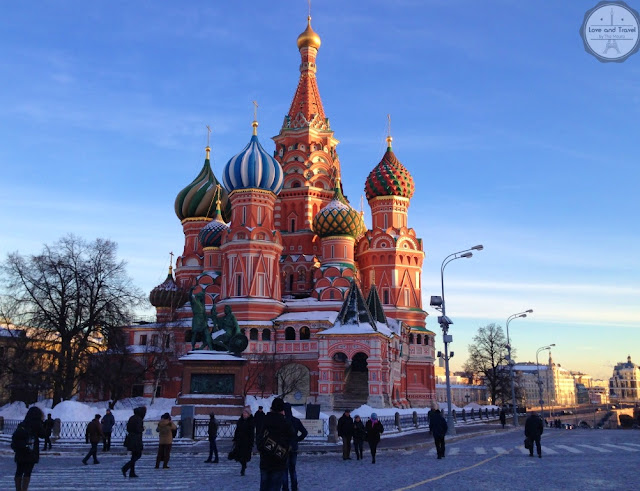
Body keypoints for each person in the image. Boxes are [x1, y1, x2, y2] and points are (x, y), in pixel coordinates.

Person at [257, 398, 295, 491]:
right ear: (282, 410)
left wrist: (263, 449)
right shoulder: (285, 422)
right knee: (275, 487)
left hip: (265, 460)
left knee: (264, 486)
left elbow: (258, 437)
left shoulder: (264, 420)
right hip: (279, 460)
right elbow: (292, 437)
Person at [12, 406, 45, 491]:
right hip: (31, 451)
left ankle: (18, 489)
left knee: (19, 471)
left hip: (21, 450)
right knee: (27, 472)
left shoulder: (23, 423)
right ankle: (24, 489)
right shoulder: (37, 424)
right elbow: (43, 435)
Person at [282, 403, 308, 491]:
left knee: (284, 470)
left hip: (283, 447)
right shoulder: (296, 420)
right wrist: (297, 439)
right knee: (292, 469)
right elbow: (304, 432)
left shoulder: (282, 421)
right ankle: (294, 487)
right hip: (293, 447)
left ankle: (285, 488)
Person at [122, 406, 146, 478]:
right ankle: (125, 468)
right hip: (136, 439)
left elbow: (128, 428)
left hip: (131, 438)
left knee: (133, 456)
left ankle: (132, 472)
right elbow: (138, 429)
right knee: (138, 455)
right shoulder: (139, 419)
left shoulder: (132, 418)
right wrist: (142, 429)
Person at [233, 408, 255, 476]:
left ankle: (243, 468)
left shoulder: (251, 421)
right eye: (243, 413)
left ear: (248, 414)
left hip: (246, 442)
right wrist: (235, 438)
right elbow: (237, 430)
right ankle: (243, 465)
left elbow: (252, 433)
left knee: (244, 456)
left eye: (245, 413)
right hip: (239, 441)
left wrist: (251, 442)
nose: (244, 414)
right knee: (239, 456)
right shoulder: (240, 420)